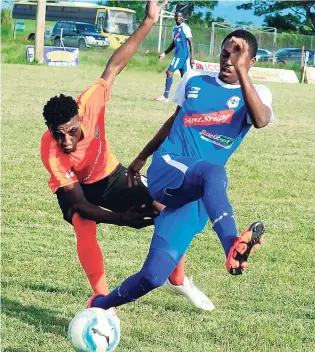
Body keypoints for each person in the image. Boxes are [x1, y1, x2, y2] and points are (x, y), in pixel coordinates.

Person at [40, 0, 213, 311]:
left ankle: (178, 278)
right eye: (58, 134)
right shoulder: (51, 150)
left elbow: (115, 65)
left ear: (80, 117)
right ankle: (102, 299)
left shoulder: (90, 102)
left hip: (111, 175)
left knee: (167, 208)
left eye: (71, 131)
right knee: (81, 219)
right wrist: (120, 219)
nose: (65, 140)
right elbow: (80, 201)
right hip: (78, 190)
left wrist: (148, 21)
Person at [87, 29, 274, 312]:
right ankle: (232, 247)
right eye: (225, 54)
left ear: (252, 61)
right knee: (215, 174)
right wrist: (142, 157)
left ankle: (100, 305)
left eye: (237, 56)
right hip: (168, 168)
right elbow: (173, 121)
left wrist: (242, 71)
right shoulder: (194, 80)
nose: (228, 60)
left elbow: (260, 120)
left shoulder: (257, 94)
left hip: (197, 194)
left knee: (153, 275)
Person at [154, 10, 194, 103]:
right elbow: (173, 44)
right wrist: (164, 53)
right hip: (179, 54)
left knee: (169, 71)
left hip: (181, 55)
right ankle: (189, 98)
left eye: (180, 16)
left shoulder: (185, 28)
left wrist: (192, 57)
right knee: (185, 77)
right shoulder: (174, 29)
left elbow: (190, 42)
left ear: (183, 17)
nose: (178, 18)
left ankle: (165, 96)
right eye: (176, 16)